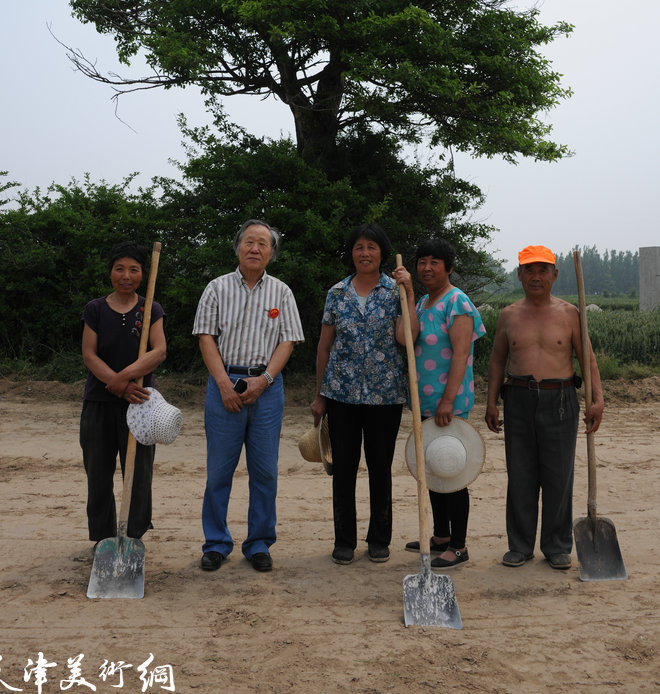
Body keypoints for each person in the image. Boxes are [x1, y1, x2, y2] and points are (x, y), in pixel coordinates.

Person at [193, 219, 304, 573]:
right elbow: (206, 337)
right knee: (219, 471)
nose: (255, 248)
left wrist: (265, 379)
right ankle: (216, 543)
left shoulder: (282, 293)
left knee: (265, 472)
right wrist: (225, 384)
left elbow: (287, 340)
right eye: (249, 242)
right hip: (224, 383)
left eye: (263, 244)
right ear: (238, 247)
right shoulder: (216, 288)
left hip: (267, 390)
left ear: (272, 252)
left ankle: (258, 543)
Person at [485, 244, 605, 570]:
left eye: (542, 270)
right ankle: (520, 545)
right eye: (529, 270)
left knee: (558, 476)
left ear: (554, 274)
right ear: (519, 274)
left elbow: (587, 357)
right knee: (521, 474)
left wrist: (598, 399)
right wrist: (491, 402)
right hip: (519, 397)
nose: (535, 276)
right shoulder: (509, 315)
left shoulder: (570, 313)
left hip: (561, 399)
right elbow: (497, 360)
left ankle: (557, 545)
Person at [311, 223, 407, 565]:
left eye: (371, 247)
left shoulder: (396, 291)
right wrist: (320, 395)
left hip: (385, 396)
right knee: (344, 468)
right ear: (351, 253)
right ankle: (344, 541)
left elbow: (405, 337)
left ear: (382, 252)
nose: (364, 253)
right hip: (341, 394)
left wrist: (407, 292)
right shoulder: (337, 293)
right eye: (358, 247)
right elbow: (324, 347)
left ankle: (379, 539)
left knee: (380, 468)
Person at [394, 238, 486, 567]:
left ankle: (458, 546)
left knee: (451, 469)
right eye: (422, 262)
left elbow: (461, 354)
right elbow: (405, 339)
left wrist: (448, 401)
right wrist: (407, 295)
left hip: (450, 405)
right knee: (433, 469)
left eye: (435, 262)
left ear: (448, 267)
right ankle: (441, 536)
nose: (427, 268)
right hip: (426, 404)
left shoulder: (457, 302)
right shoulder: (422, 304)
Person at [79, 241, 166, 544]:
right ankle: (103, 539)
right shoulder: (96, 309)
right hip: (99, 404)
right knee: (98, 474)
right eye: (120, 269)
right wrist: (115, 384)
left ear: (142, 273)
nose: (126, 275)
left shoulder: (150, 308)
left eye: (134, 269)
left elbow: (158, 352)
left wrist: (125, 379)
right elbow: (89, 355)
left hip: (140, 404)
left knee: (139, 474)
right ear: (111, 272)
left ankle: (133, 537)